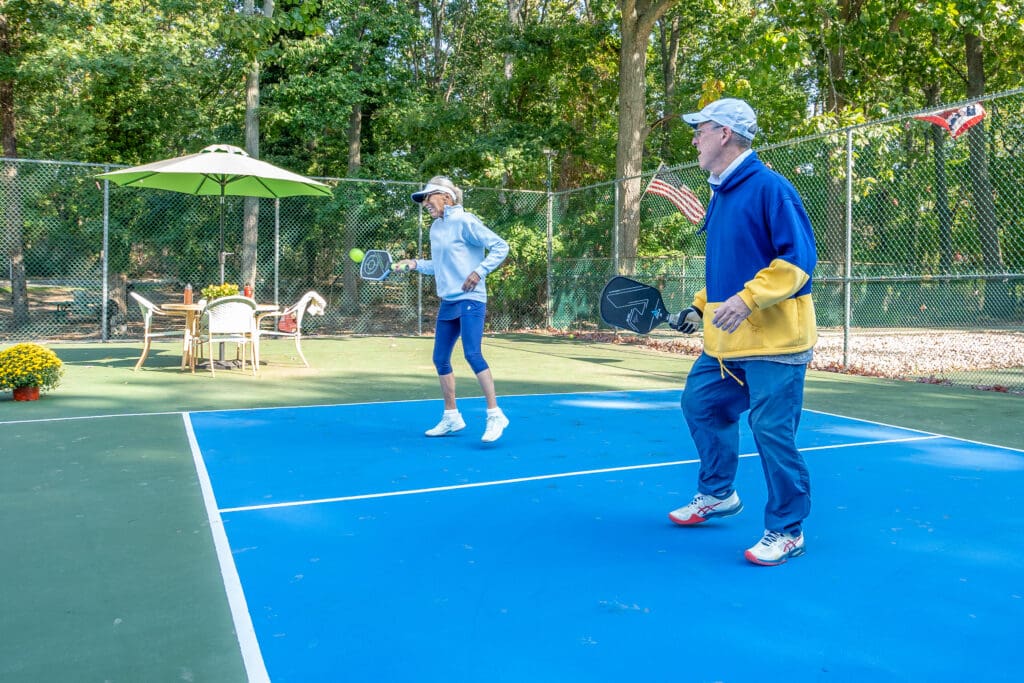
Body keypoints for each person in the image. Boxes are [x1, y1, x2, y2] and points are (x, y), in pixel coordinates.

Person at [666, 98, 818, 566]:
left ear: (725, 134)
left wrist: (746, 299)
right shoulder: (720, 192)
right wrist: (698, 307)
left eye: (700, 130)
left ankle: (787, 530)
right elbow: (724, 268)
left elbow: (799, 263)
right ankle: (718, 494)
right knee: (700, 403)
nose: (694, 138)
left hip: (776, 344)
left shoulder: (771, 188)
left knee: (771, 431)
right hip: (726, 343)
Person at [396, 176, 511, 443]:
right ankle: (452, 417)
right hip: (448, 301)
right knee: (440, 359)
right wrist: (414, 263)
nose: (424, 203)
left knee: (472, 353)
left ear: (447, 197)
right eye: (422, 199)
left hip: (471, 299)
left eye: (428, 197)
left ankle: (495, 415)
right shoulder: (436, 228)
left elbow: (500, 246)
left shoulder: (465, 221)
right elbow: (438, 265)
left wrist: (479, 271)